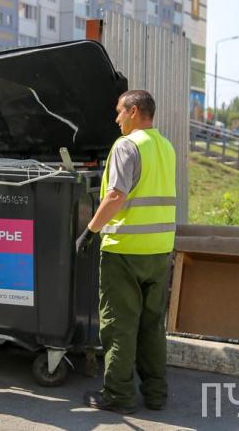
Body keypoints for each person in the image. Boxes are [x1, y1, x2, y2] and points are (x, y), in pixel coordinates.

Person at [75, 89, 177, 414]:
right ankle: (156, 394)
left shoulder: (126, 145)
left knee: (119, 324)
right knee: (152, 326)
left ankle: (118, 395)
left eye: (119, 111)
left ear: (134, 111)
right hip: (160, 250)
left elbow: (116, 196)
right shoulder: (165, 146)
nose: (116, 118)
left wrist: (89, 231)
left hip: (126, 250)